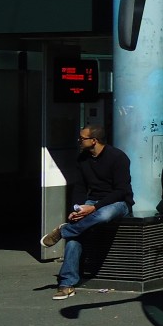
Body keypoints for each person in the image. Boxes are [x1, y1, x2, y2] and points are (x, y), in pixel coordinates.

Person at [41, 125, 133, 300]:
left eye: (82, 138)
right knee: (77, 233)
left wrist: (94, 208)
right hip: (93, 202)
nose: (79, 141)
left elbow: (121, 191)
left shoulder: (118, 157)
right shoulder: (83, 159)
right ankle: (67, 284)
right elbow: (80, 187)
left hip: (119, 203)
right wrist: (77, 208)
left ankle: (63, 231)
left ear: (94, 140)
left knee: (103, 215)